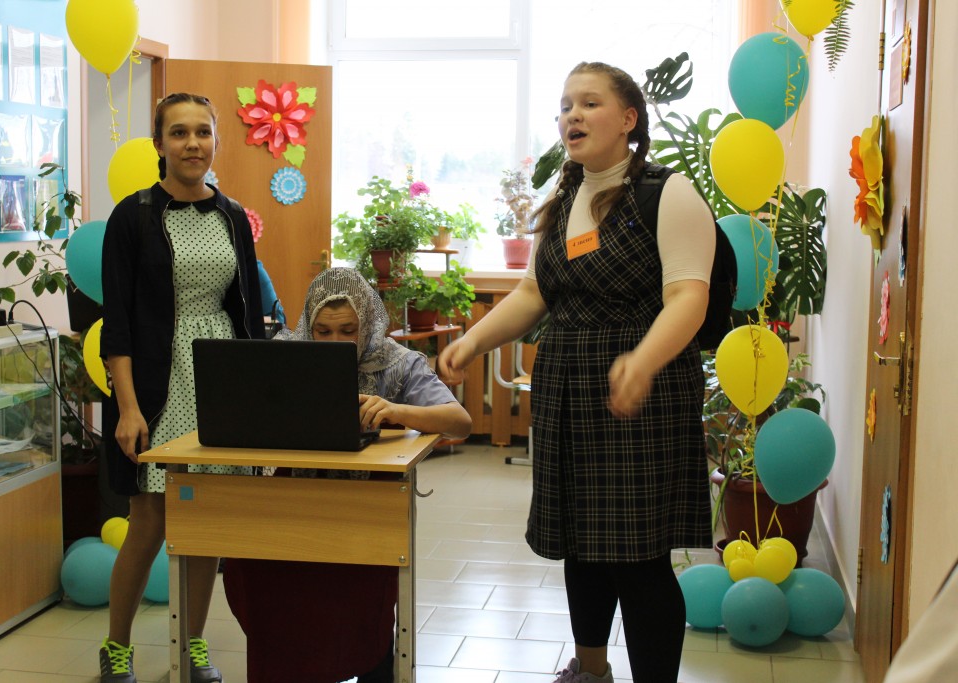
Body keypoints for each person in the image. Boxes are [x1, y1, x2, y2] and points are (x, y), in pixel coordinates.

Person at [438, 62, 715, 683]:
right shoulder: (564, 199)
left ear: (628, 119)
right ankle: (590, 672)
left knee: (640, 558)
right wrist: (473, 341)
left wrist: (642, 361)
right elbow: (534, 293)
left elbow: (689, 298)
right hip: (569, 387)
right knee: (581, 544)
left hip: (642, 391)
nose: (572, 115)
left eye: (589, 103)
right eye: (566, 105)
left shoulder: (668, 194)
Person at [222, 266, 471, 682]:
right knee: (253, 570)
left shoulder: (398, 363)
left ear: (367, 324)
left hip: (365, 516)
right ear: (309, 325)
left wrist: (396, 410)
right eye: (323, 332)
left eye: (347, 331)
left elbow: (459, 421)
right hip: (293, 512)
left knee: (363, 604)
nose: (335, 342)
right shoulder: (285, 353)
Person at [98, 92, 264, 683]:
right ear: (159, 144)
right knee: (148, 524)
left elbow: (246, 313)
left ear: (215, 140)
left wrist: (254, 399)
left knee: (206, 521)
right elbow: (117, 323)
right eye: (179, 133)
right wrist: (127, 408)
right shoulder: (132, 216)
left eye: (202, 132)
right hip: (154, 382)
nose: (192, 143)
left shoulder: (233, 216)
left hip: (216, 377)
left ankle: (192, 644)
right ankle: (116, 646)